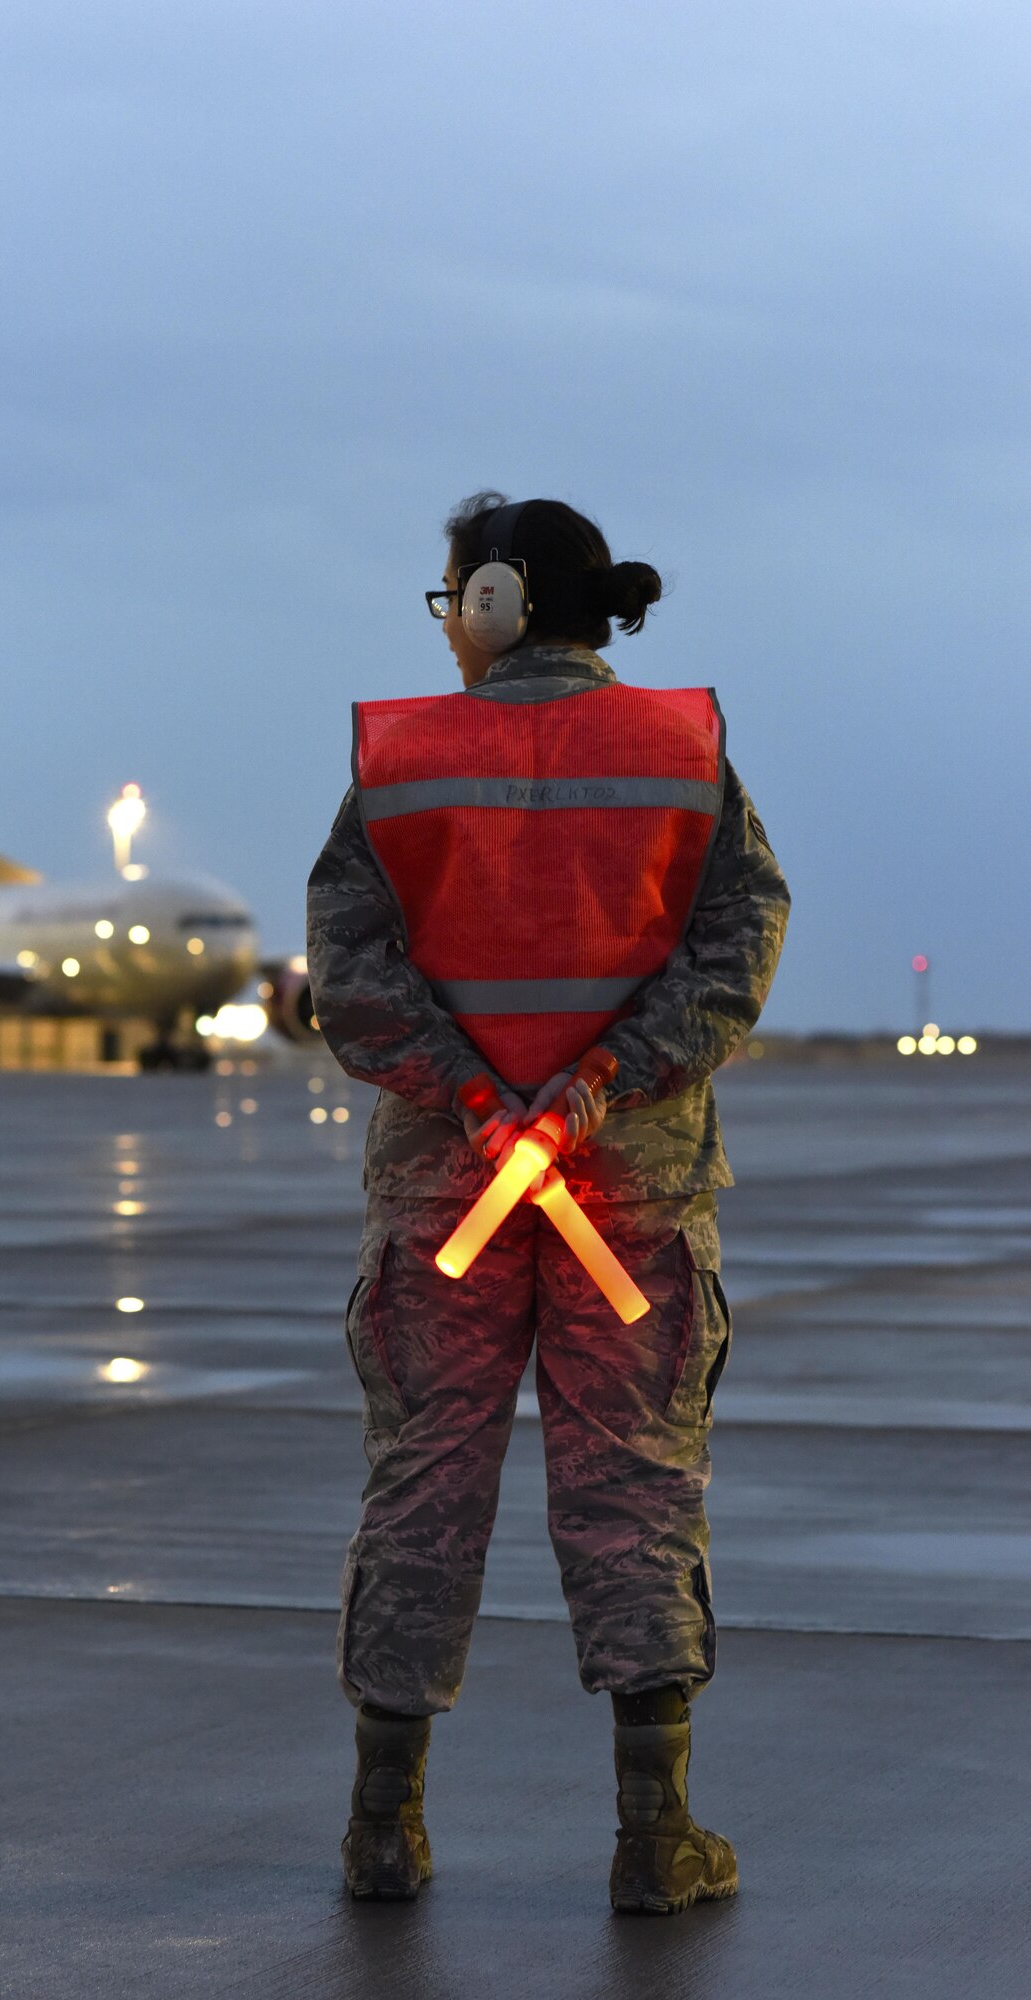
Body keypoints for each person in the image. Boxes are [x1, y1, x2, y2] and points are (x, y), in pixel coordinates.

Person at [306, 492, 789, 1914]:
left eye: (449, 591)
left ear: (499, 598)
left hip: (446, 1189)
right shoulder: (680, 748)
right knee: (633, 1483)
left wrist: (469, 1094)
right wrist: (594, 1092)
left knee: (422, 1483)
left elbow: (348, 968)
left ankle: (380, 1833)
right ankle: (655, 1841)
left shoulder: (400, 758)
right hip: (624, 1191)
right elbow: (734, 945)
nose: (445, 616)